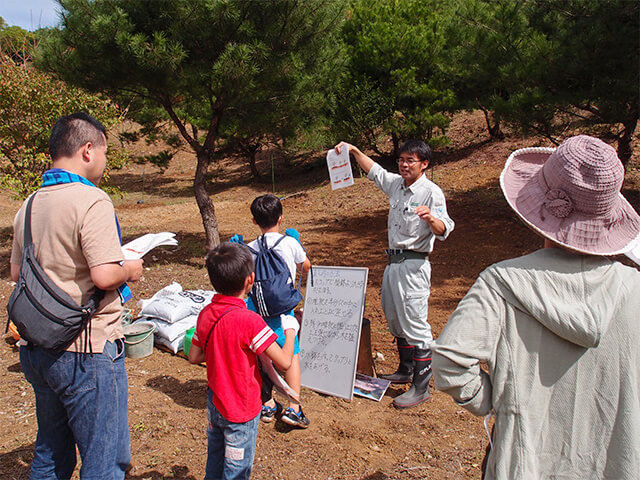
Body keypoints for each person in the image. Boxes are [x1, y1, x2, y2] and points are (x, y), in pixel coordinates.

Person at [431, 135, 640, 479]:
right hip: (614, 461)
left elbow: (449, 362)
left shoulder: (501, 283)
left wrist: (500, 402)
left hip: (525, 460)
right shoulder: (633, 289)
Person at [10, 112, 144, 479]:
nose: (104, 162)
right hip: (86, 350)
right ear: (87, 150)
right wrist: (131, 268)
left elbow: (16, 274)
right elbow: (104, 275)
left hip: (39, 349)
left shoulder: (30, 204)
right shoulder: (92, 200)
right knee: (104, 460)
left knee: (51, 452)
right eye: (104, 152)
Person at [333, 140, 454, 408]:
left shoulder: (431, 193)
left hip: (414, 265)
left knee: (415, 322)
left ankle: (421, 387)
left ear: (424, 164)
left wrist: (430, 219)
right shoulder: (396, 185)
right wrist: (353, 151)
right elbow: (374, 170)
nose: (404, 164)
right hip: (393, 264)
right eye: (401, 159)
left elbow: (445, 227)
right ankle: (406, 368)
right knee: (395, 317)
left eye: (411, 160)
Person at [188, 242, 298, 480]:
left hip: (215, 402)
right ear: (250, 280)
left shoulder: (206, 314)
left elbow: (194, 356)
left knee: (215, 460)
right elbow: (285, 362)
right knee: (236, 469)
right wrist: (290, 332)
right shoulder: (250, 321)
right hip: (241, 408)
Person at [246, 194, 312, 428]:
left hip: (257, 310)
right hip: (283, 311)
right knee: (290, 356)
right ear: (281, 218)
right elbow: (306, 266)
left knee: (263, 356)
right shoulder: (288, 243)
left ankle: (268, 403)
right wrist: (297, 244)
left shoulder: (249, 247)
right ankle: (294, 408)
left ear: (254, 221)